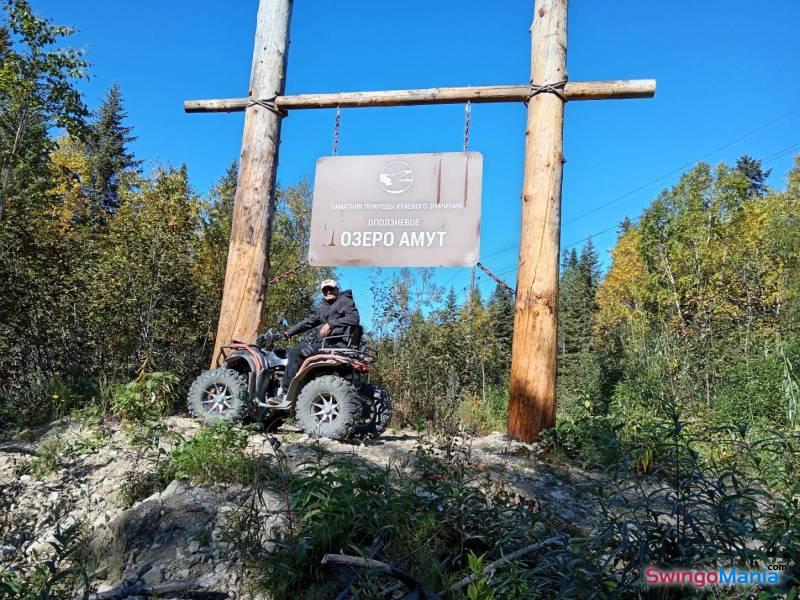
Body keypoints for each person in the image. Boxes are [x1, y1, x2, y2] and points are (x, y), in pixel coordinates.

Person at [275, 279, 360, 399]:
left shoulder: (344, 301)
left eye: (331, 289)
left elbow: (354, 319)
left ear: (337, 289)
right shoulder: (324, 307)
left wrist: (330, 324)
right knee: (293, 351)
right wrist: (289, 333)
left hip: (335, 344)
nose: (328, 292)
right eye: (325, 290)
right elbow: (309, 322)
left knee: (295, 353)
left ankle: (284, 393)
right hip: (327, 344)